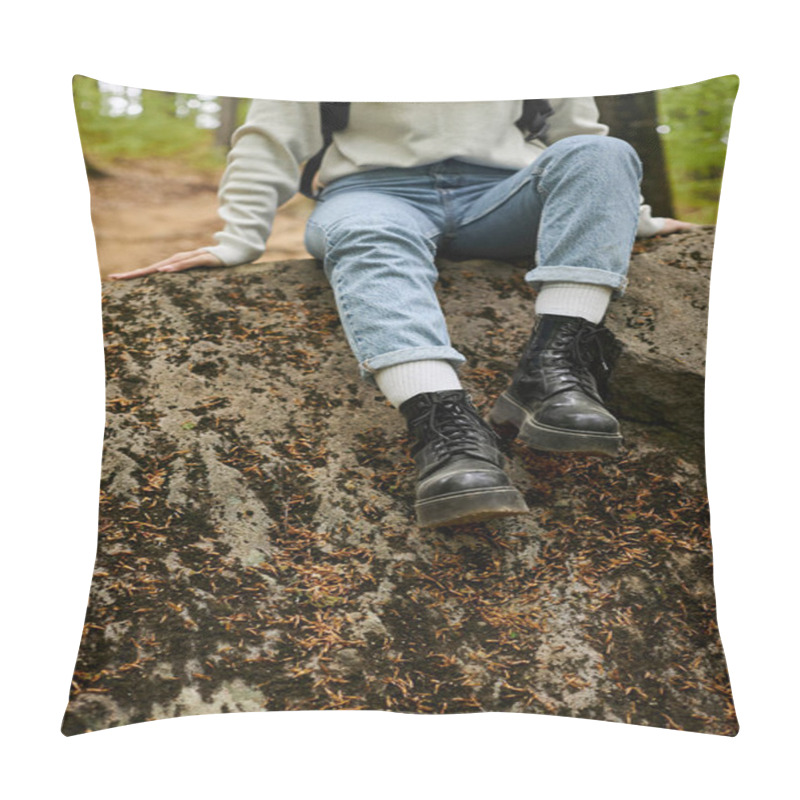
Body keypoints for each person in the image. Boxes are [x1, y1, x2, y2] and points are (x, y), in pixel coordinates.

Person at [111, 99, 695, 529]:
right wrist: (239, 238)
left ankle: (552, 371)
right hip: (373, 191)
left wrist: (626, 213)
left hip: (508, 194)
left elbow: (578, 137)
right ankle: (446, 432)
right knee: (367, 233)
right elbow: (271, 137)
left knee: (606, 153)